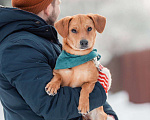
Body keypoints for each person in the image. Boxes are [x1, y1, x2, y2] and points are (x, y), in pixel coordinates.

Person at [0, 0, 118, 120]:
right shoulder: (19, 47)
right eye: (58, 3)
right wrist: (100, 89)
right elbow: (52, 106)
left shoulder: (41, 39)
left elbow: (76, 83)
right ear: (47, 8)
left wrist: (108, 115)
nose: (59, 7)